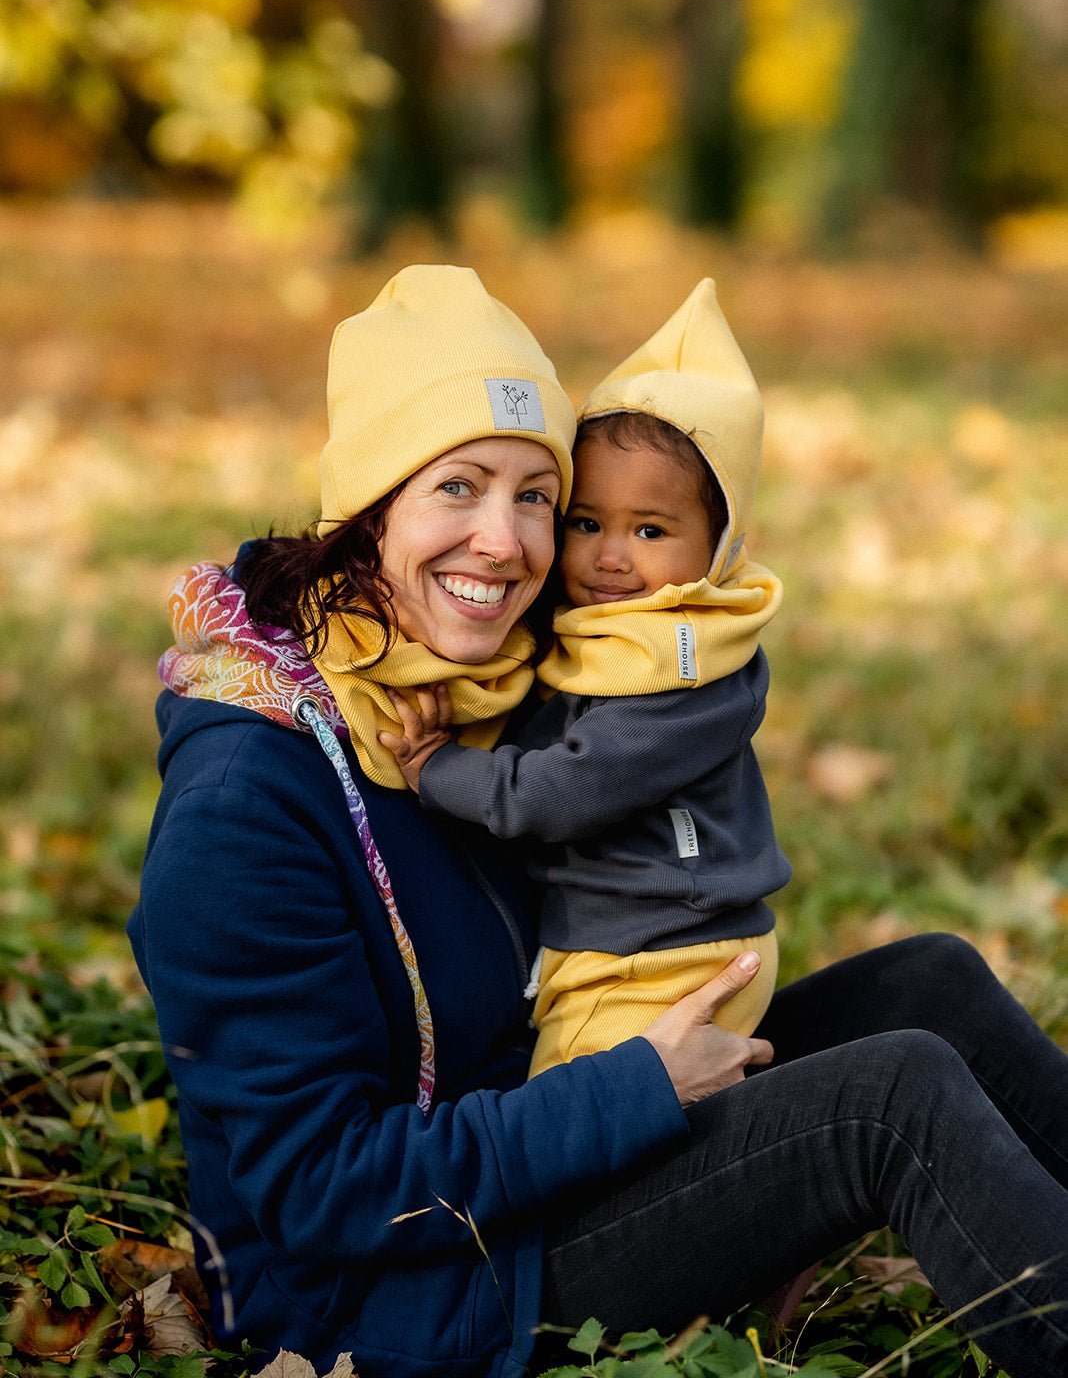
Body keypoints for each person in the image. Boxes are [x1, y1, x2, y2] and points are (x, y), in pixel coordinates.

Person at [129, 263, 1068, 1378]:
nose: (506, 542)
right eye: (459, 486)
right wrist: (636, 1091)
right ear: (372, 504)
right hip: (421, 1280)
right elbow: (323, 1191)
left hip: (552, 1116)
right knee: (888, 1099)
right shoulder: (250, 803)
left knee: (928, 985)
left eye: (535, 495)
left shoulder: (461, 688)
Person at [381, 282, 791, 1076]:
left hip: (657, 953)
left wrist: (436, 767)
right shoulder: (615, 628)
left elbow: (556, 792)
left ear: (719, 547)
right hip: (636, 937)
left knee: (579, 1121)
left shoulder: (675, 671)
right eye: (586, 522)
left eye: (650, 529)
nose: (610, 555)